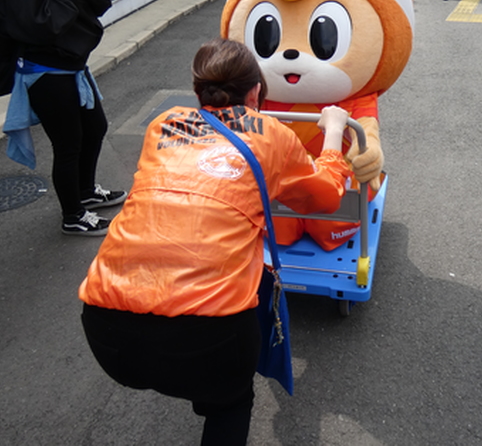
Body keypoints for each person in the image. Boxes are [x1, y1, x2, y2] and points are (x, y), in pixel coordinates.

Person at [79, 37, 351, 446]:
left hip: (106, 329)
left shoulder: (162, 124)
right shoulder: (271, 136)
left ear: (196, 91)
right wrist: (332, 131)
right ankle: (213, 396)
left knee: (195, 370)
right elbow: (327, 197)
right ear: (256, 91)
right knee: (230, 403)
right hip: (211, 337)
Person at [0, 0, 125, 236]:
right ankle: (73, 215)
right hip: (45, 70)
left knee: (95, 128)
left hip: (71, 66)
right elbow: (37, 23)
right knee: (68, 144)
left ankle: (85, 193)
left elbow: (85, 10)